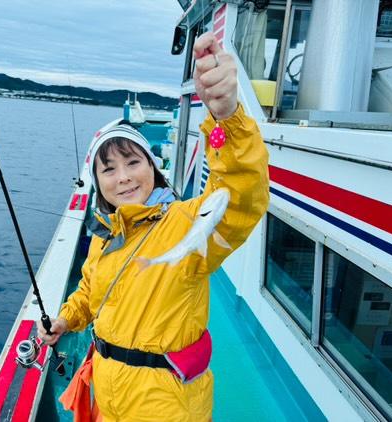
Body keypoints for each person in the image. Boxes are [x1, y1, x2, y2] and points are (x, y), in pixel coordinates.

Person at [39, 32, 270, 422]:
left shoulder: (183, 222)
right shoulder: (105, 234)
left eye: (134, 163)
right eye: (108, 170)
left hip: (164, 406)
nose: (124, 177)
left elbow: (240, 194)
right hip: (107, 392)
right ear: (98, 184)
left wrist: (227, 118)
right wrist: (66, 319)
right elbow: (90, 292)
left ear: (153, 168)